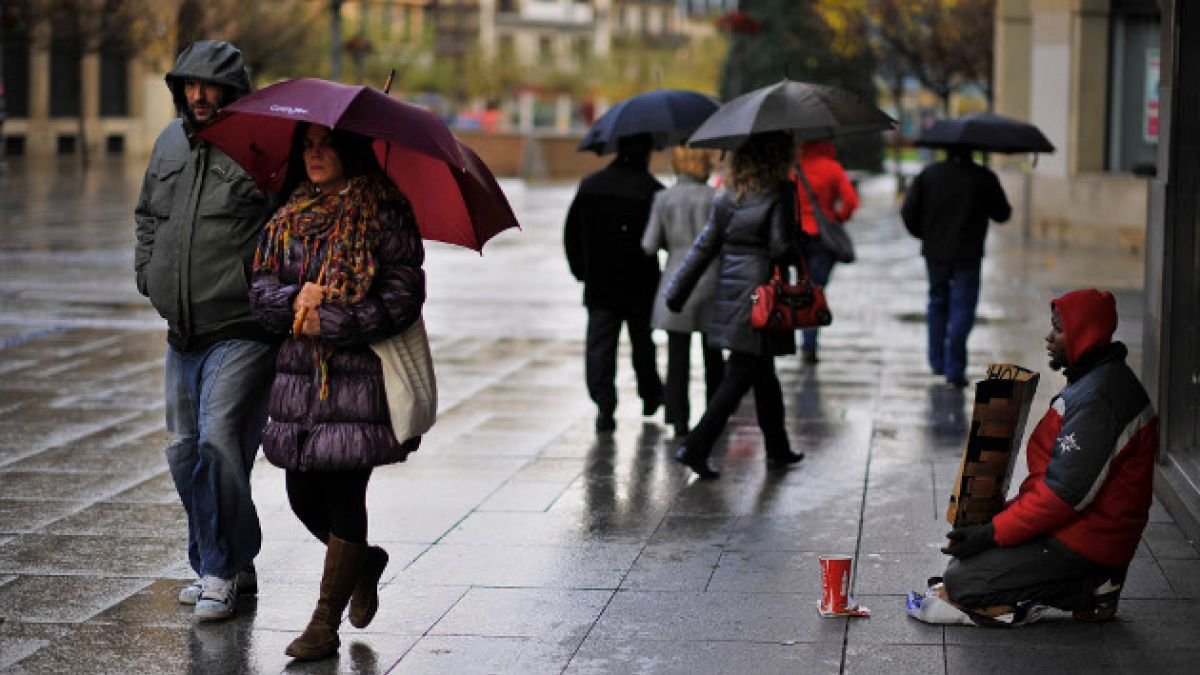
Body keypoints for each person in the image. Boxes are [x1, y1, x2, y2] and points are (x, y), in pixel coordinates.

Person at [248, 123, 425, 660]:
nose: (315, 155)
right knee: (302, 497)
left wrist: (336, 320)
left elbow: (403, 295)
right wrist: (291, 301)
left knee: (345, 494)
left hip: (358, 378)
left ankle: (324, 624)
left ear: (350, 149)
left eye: (326, 145)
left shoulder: (385, 211)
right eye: (307, 146)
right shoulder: (287, 215)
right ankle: (364, 562)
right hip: (300, 377)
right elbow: (259, 288)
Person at [133, 40, 275, 621]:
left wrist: (257, 282)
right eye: (190, 85)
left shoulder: (261, 146)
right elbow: (148, 214)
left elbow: (284, 227)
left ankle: (216, 570)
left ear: (233, 92)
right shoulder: (169, 141)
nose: (199, 95)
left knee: (220, 441)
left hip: (241, 325)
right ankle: (230, 560)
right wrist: (149, 272)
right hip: (181, 328)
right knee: (183, 450)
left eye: (211, 86)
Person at [938, 289, 1158, 623]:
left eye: (1058, 329)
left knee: (962, 581)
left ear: (1085, 333)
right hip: (1074, 529)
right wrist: (998, 522)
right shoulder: (1093, 381)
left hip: (1086, 544)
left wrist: (992, 533)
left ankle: (1092, 588)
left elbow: (1063, 495)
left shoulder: (1100, 397)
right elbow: (1052, 483)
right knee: (962, 568)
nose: (1048, 336)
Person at [665, 131, 807, 480]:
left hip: (732, 294)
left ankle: (778, 447)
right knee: (740, 375)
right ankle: (695, 447)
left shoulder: (728, 195)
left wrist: (676, 291)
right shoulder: (780, 191)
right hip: (762, 296)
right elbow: (780, 248)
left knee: (762, 372)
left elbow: (704, 246)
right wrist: (794, 227)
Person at [564, 134, 665, 433]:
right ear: (646, 153)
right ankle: (650, 393)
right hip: (641, 282)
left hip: (600, 282)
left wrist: (581, 270)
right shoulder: (653, 190)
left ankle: (604, 403)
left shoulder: (591, 185)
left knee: (600, 348)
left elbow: (572, 234)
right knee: (643, 345)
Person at [901, 148, 1011, 387]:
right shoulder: (982, 177)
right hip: (968, 253)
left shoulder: (929, 174)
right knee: (963, 307)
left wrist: (925, 235)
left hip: (935, 252)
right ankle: (955, 368)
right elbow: (1002, 213)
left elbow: (908, 211)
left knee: (937, 301)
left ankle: (937, 361)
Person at [641, 147, 725, 438]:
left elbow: (649, 245)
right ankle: (714, 416)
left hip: (677, 281)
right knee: (714, 355)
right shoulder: (716, 199)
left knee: (677, 355)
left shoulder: (663, 199)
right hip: (712, 281)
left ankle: (678, 417)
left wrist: (674, 245)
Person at [793, 139, 859, 364]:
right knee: (817, 289)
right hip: (822, 238)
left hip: (798, 236)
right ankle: (810, 341)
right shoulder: (833, 168)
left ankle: (807, 340)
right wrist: (838, 217)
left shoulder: (795, 168)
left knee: (804, 288)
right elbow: (851, 201)